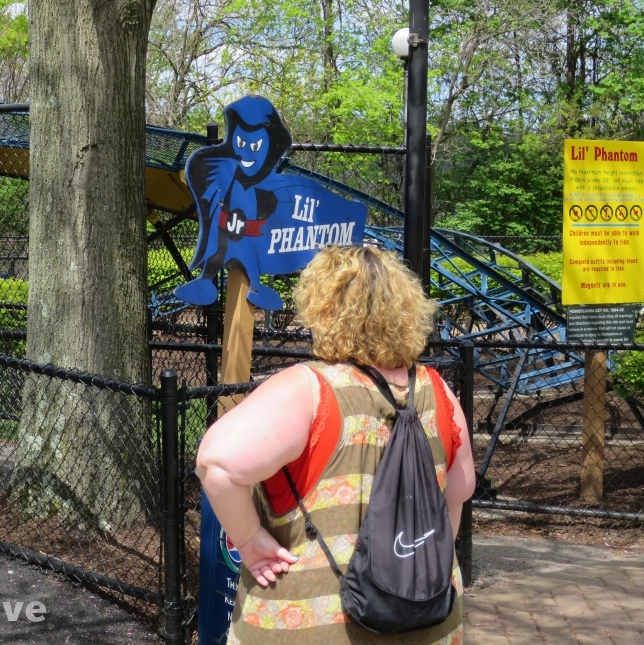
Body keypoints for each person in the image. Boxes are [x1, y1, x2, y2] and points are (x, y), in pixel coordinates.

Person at [196, 245, 475, 644]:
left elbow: (216, 463)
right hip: (429, 621)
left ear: (322, 309)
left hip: (316, 623)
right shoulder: (437, 390)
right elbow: (461, 489)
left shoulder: (308, 390)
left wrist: (249, 541)